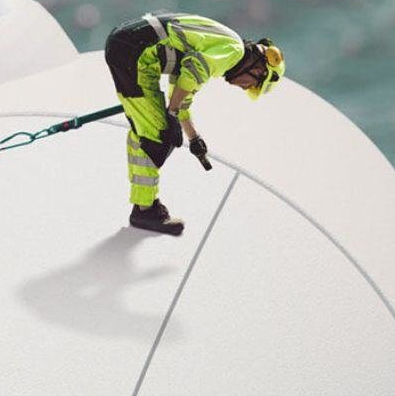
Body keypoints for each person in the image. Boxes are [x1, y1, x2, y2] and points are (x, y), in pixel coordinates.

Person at [104, 13, 286, 235]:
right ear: (258, 70)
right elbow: (192, 76)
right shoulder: (233, 52)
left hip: (128, 47)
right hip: (135, 53)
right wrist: (170, 115)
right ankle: (145, 211)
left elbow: (182, 93)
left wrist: (193, 138)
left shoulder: (223, 46)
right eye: (253, 85)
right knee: (158, 135)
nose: (245, 88)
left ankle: (143, 204)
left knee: (147, 131)